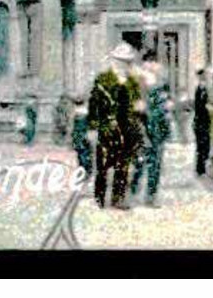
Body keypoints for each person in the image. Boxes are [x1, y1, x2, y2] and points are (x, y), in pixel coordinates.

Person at [87, 42, 142, 210]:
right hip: (107, 128)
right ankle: (100, 197)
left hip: (128, 129)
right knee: (103, 165)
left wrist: (139, 110)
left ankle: (118, 198)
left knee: (123, 166)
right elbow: (94, 105)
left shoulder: (133, 82)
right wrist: (92, 128)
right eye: (120, 60)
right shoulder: (103, 79)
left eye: (127, 61)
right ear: (114, 61)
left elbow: (136, 104)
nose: (124, 64)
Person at [129, 54, 173, 207]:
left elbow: (165, 108)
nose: (157, 67)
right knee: (139, 162)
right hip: (142, 129)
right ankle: (132, 192)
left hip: (157, 130)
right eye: (153, 63)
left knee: (155, 164)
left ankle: (150, 197)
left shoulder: (160, 84)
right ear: (146, 64)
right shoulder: (137, 83)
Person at [192, 68, 213, 176]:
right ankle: (200, 169)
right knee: (202, 146)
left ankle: (201, 168)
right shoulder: (200, 89)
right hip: (201, 121)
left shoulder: (203, 89)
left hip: (203, 122)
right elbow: (199, 106)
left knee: (204, 146)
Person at [70, 97, 93, 178]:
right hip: (81, 137)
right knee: (83, 152)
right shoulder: (83, 113)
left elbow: (78, 131)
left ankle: (85, 170)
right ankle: (86, 169)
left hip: (79, 138)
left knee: (81, 152)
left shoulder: (79, 115)